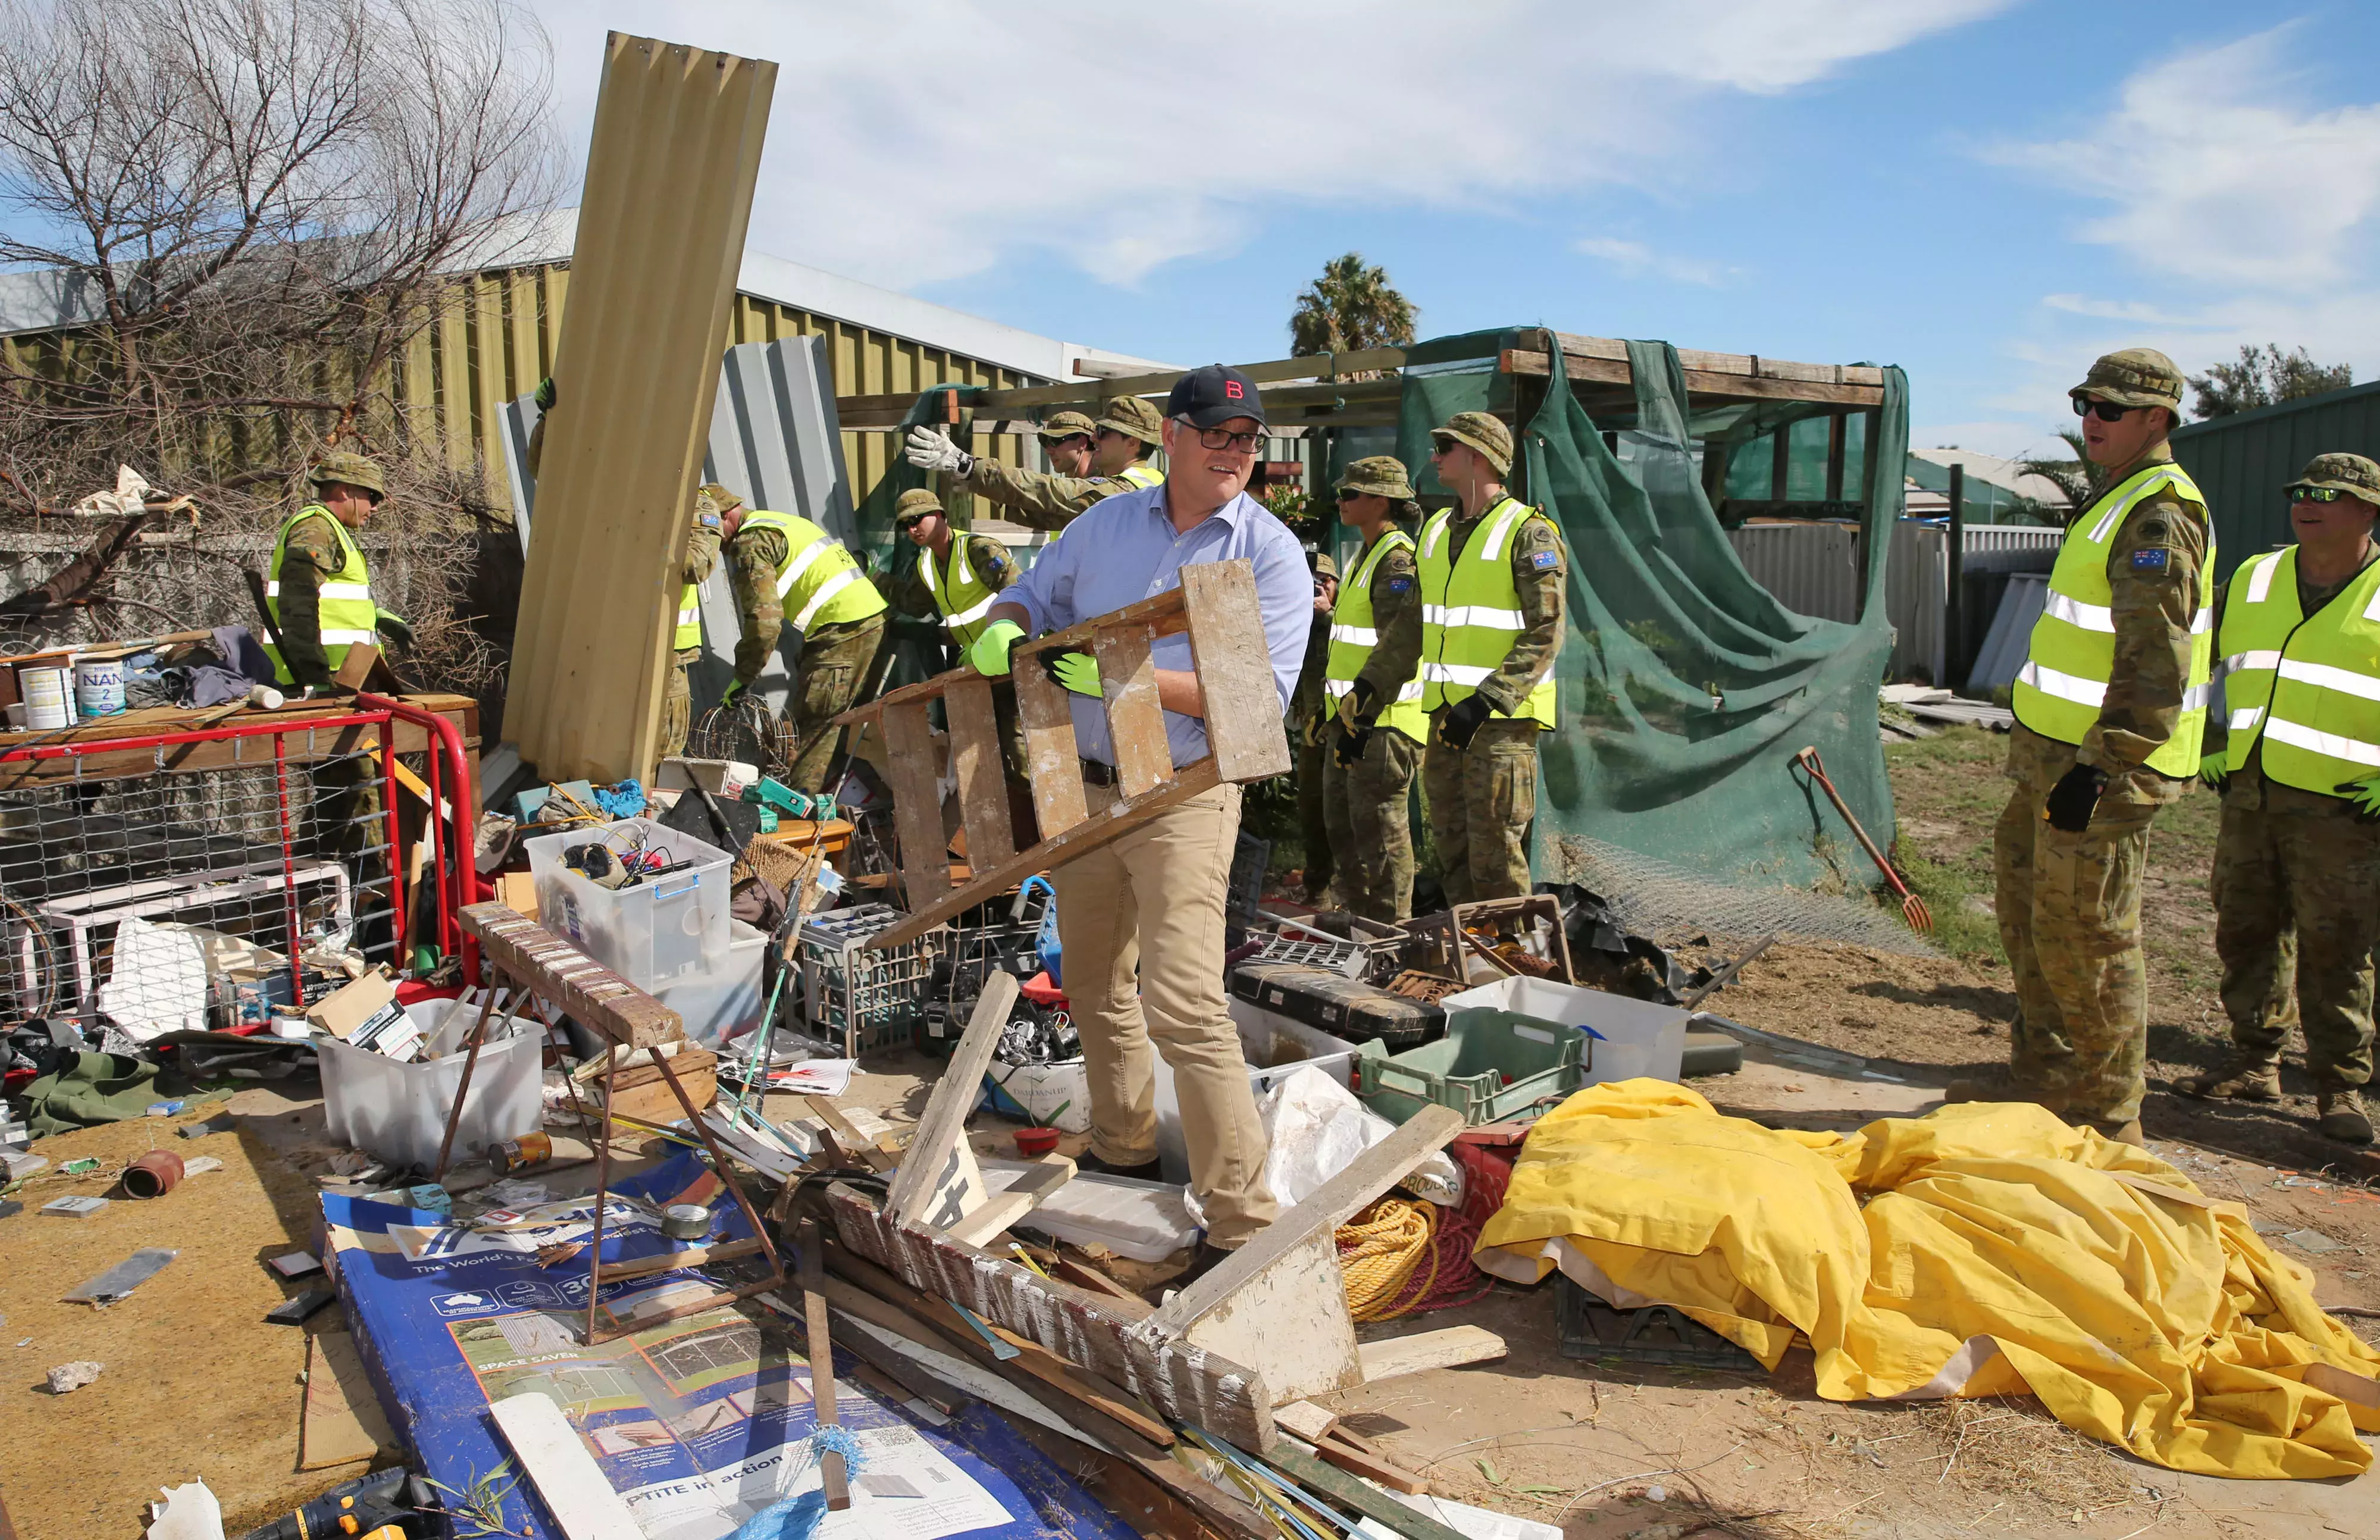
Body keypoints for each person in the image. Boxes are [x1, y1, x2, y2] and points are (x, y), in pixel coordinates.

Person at [961, 364, 1310, 1259]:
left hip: (1185, 795)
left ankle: (1242, 1223)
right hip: (1086, 791)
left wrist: (1127, 676)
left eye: (1247, 441)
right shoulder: (1103, 524)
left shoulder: (1267, 553)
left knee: (1185, 1002)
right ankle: (1123, 1147)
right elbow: (1038, 595)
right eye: (1216, 436)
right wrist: (1006, 618)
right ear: (1172, 437)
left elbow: (1255, 699)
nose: (1234, 453)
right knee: (1091, 982)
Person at [1975, 348, 2215, 1145]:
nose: (2090, 422)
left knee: (2091, 940)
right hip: (2051, 760)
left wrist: (2104, 764)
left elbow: (2156, 658)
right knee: (2031, 922)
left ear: (2157, 420)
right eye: (2085, 404)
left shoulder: (2159, 512)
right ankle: (2042, 1085)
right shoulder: (2115, 499)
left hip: (2100, 771)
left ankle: (2110, 1119)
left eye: (2109, 410)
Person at [2175, 454, 2380, 1145]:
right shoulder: (2256, 577)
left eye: (2330, 495)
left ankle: (2339, 1089)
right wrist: (2202, 737)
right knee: (2244, 929)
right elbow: (2196, 656)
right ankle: (2254, 1062)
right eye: (2301, 492)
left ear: (2368, 511)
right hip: (2250, 795)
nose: (2308, 503)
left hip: (2343, 812)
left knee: (2337, 947)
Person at [524, 376, 718, 763]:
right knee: (599, 756)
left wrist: (646, 539)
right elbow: (548, 471)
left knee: (661, 763)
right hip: (607, 650)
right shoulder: (609, 495)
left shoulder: (695, 502)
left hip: (665, 658)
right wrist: (551, 421)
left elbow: (698, 562)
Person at [1416, 412, 1565, 903]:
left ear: (1478, 457)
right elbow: (1415, 623)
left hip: (1499, 726)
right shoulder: (1437, 527)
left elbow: (1547, 630)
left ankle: (1515, 962)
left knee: (1496, 851)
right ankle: (1472, 953)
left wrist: (1484, 703)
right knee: (1452, 845)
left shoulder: (1530, 532)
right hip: (1445, 718)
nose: (1435, 457)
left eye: (1445, 447)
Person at [712, 484, 888, 793]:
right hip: (866, 620)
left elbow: (765, 624)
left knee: (814, 726)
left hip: (842, 628)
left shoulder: (752, 542)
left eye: (712, 530)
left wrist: (743, 678)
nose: (714, 543)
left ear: (726, 516)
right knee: (828, 719)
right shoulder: (781, 521)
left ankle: (797, 817)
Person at [1325, 456, 1429, 922]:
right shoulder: (1365, 553)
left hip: (1382, 726)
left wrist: (1363, 719)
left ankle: (1391, 932)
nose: (1341, 501)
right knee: (1348, 830)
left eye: (1351, 494)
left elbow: (1396, 649)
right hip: (1352, 722)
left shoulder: (1397, 561)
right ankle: (1359, 921)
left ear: (1381, 500)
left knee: (1383, 838)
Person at [904, 397, 1167, 532]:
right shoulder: (1129, 486)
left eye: (1104, 432)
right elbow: (1051, 514)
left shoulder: (1135, 489)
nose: (1094, 438)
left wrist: (969, 467)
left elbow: (1052, 492)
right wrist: (983, 485)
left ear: (1133, 443)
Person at [264, 452, 410, 688]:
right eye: (372, 497)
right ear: (345, 490)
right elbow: (298, 604)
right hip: (321, 681)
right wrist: (315, 678)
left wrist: (377, 617)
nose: (374, 508)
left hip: (344, 677)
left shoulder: (330, 528)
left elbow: (331, 599)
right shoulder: (316, 528)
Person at [1290, 549, 1339, 905]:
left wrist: (1327, 617)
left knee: (1346, 816)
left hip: (1347, 731)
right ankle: (1318, 890)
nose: (1318, 587)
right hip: (1311, 733)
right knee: (1312, 812)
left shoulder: (1344, 618)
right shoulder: (1295, 618)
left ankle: (1352, 893)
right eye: (1312, 580)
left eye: (1325, 580)